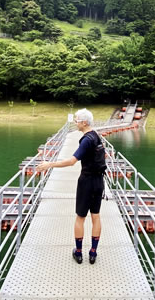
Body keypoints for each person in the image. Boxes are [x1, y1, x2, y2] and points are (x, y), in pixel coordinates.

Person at [36, 108, 106, 265]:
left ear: (85, 122)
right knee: (96, 216)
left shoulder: (87, 140)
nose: (75, 122)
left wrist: (49, 164)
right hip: (99, 182)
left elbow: (72, 161)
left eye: (77, 120)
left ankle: (79, 253)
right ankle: (93, 253)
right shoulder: (96, 136)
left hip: (87, 181)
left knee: (80, 217)